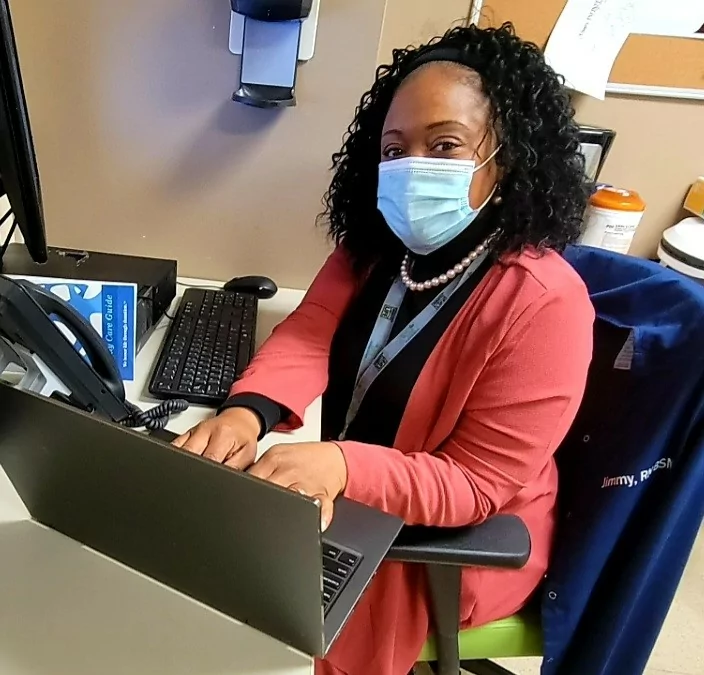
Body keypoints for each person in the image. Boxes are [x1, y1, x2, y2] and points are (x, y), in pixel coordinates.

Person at [174, 22, 594, 675]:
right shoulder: (375, 249)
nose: (410, 167)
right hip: (360, 491)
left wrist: (340, 466)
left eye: (445, 145)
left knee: (249, 617)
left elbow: (476, 483)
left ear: (509, 159)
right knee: (199, 545)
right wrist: (246, 412)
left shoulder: (546, 304)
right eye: (394, 150)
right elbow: (311, 332)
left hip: (457, 541)